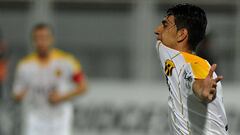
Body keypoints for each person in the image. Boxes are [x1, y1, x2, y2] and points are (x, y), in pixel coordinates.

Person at [154, 4, 228, 135]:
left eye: (165, 25)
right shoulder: (165, 49)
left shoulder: (194, 64)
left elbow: (193, 81)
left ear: (181, 34)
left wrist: (202, 89)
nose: (157, 30)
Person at [12, 23, 87, 135]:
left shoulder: (67, 61)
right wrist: (19, 96)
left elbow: (83, 87)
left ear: (51, 39)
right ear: (33, 41)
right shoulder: (25, 65)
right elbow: (16, 94)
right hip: (35, 118)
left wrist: (62, 97)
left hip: (60, 118)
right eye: (37, 38)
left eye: (44, 38)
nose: (41, 42)